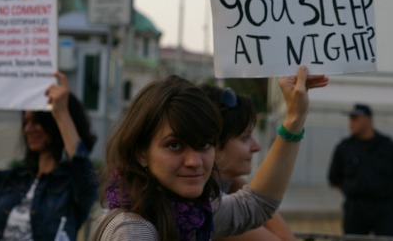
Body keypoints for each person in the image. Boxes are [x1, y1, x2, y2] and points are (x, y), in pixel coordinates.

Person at [91, 65, 327, 241]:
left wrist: (295, 119)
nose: (194, 161)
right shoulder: (134, 231)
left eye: (204, 144)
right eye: (174, 145)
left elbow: (257, 206)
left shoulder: (190, 213)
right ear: (141, 152)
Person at [0, 72, 99, 241]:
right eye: (26, 122)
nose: (28, 129)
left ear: (53, 123)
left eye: (37, 122)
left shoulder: (72, 187)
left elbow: (84, 173)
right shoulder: (13, 179)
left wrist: (62, 114)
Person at [200, 84, 296, 241]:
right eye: (245, 137)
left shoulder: (216, 192)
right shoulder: (206, 207)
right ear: (213, 144)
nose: (256, 147)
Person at [328, 103, 393, 237]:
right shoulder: (344, 148)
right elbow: (334, 178)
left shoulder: (389, 146)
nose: (351, 123)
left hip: (384, 208)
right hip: (355, 209)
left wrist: (382, 191)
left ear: (368, 120)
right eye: (350, 119)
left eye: (356, 119)